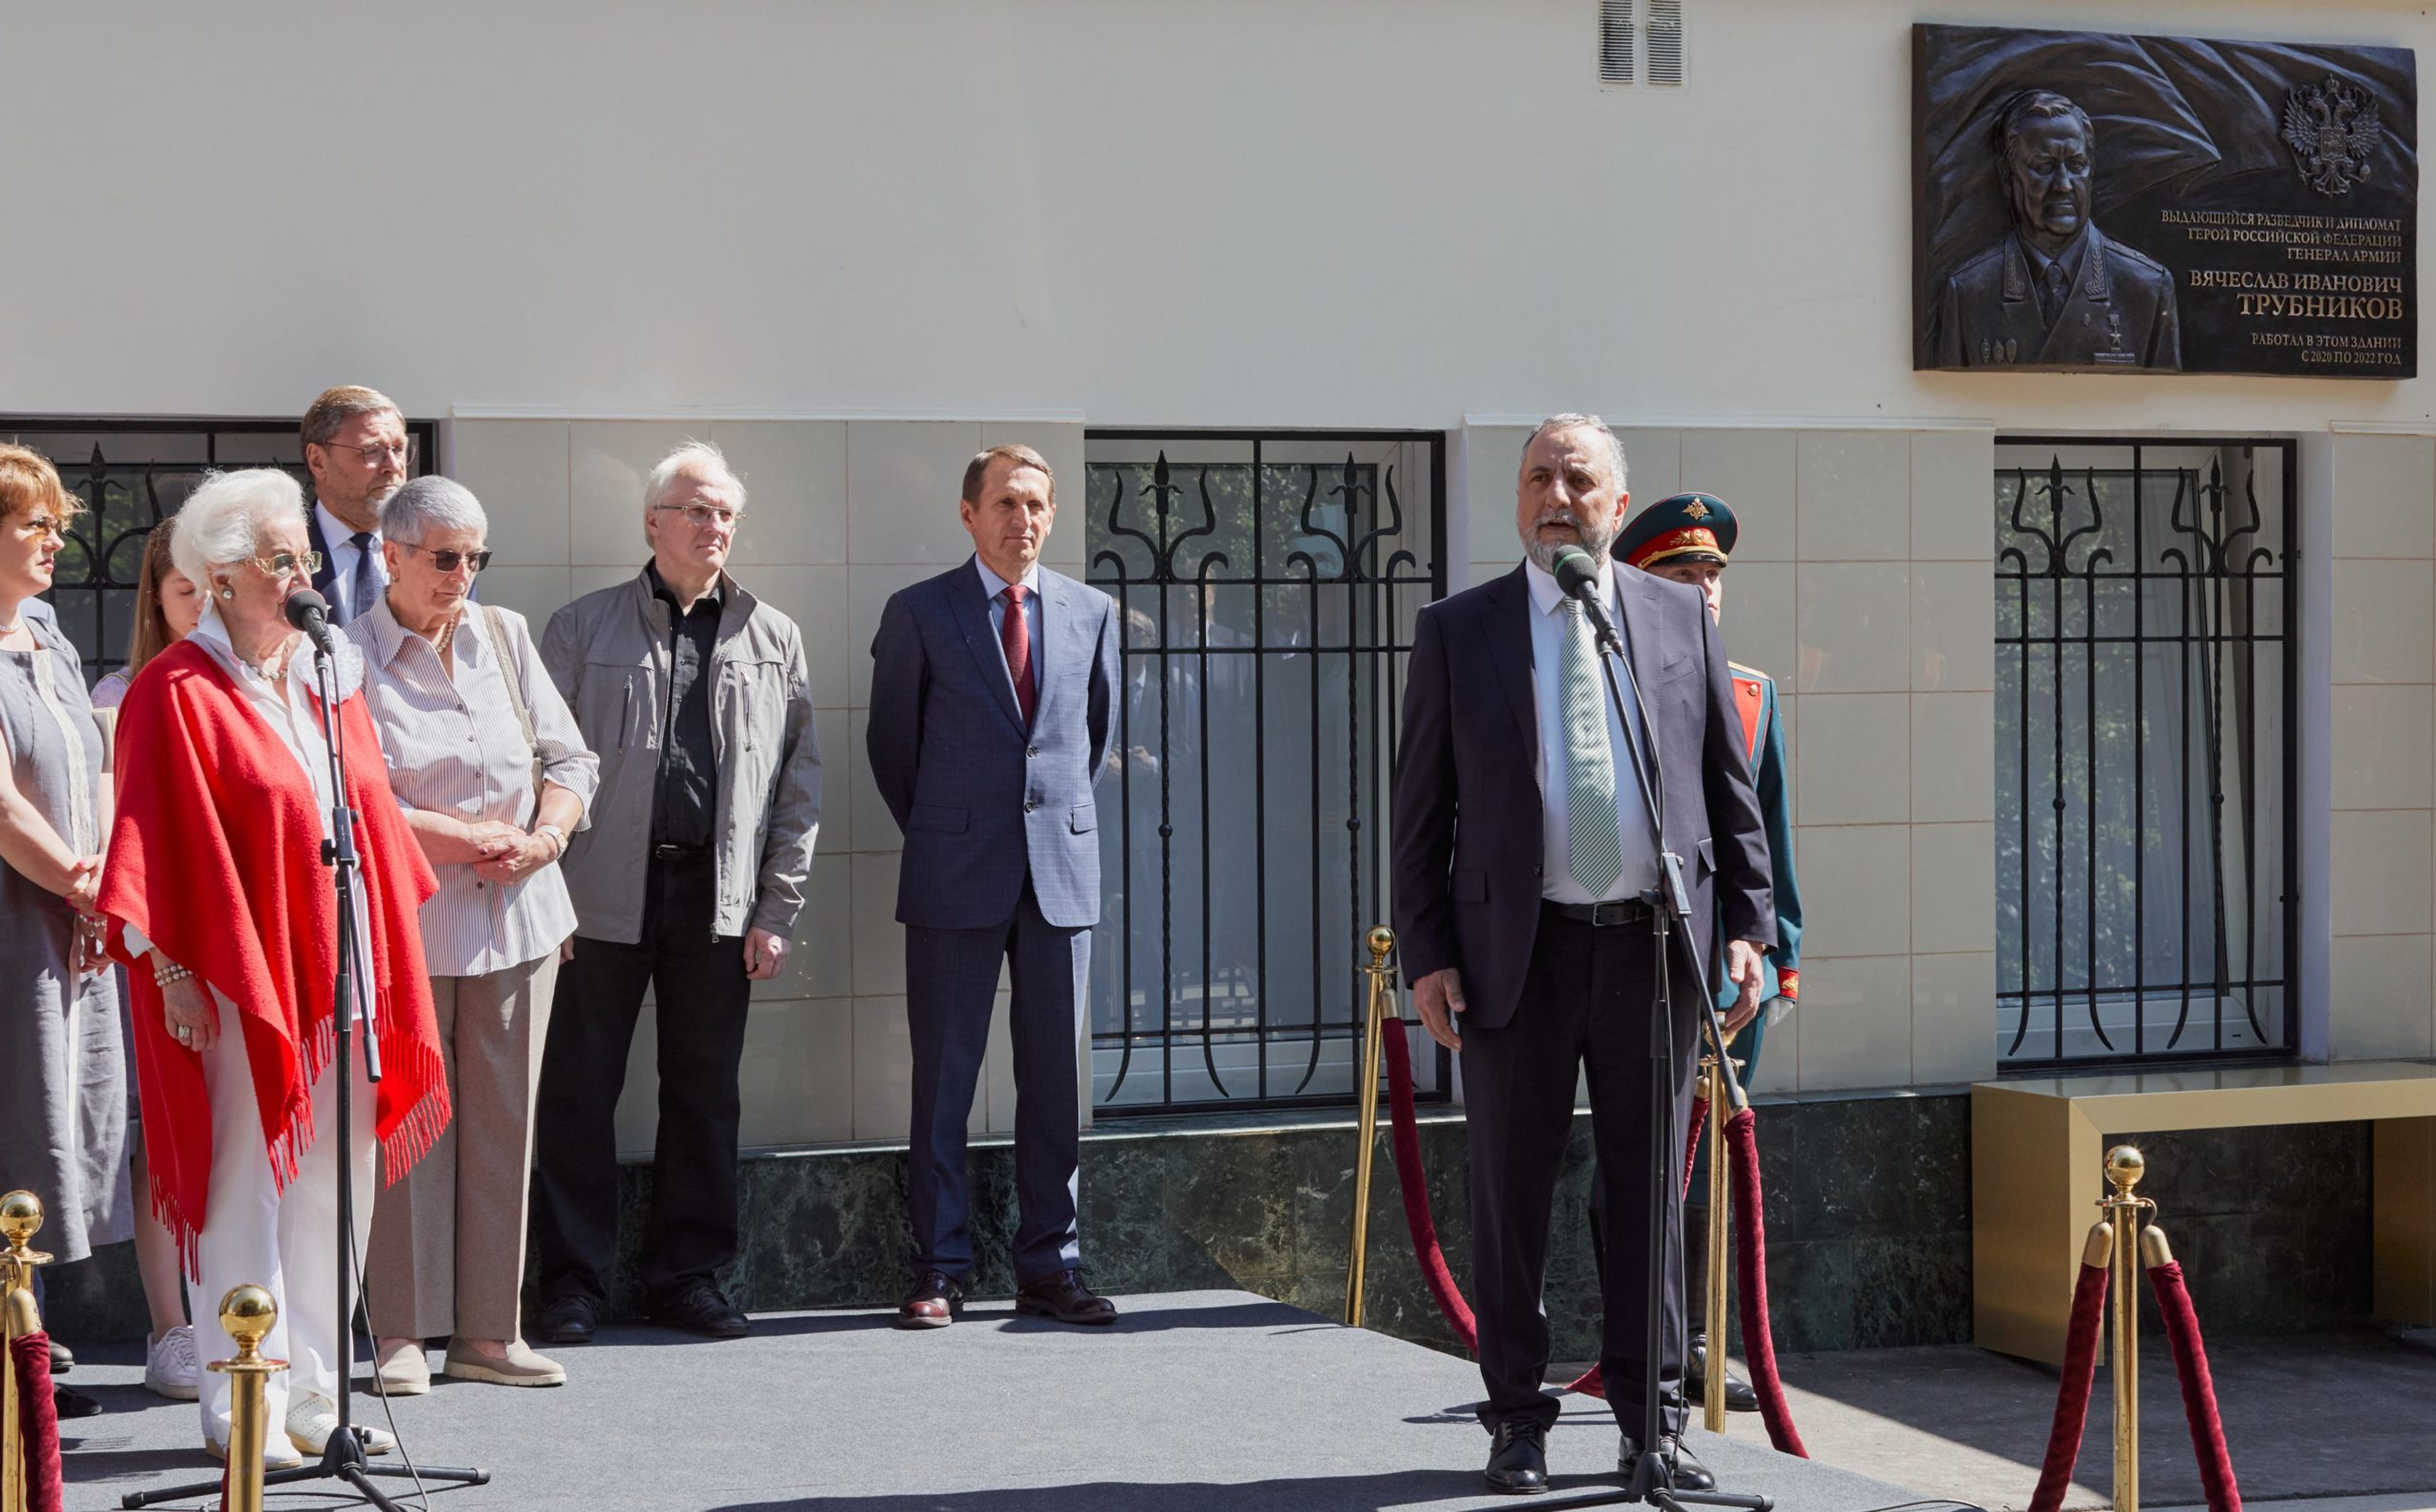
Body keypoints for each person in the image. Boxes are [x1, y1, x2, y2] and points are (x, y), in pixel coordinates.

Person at [1389, 416, 1774, 1493]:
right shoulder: (1459, 633)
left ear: (1615, 500)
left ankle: (1651, 1422)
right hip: (1516, 955)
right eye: (1536, 477)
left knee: (1649, 1194)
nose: (1554, 494)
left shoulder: (1670, 618)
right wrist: (1425, 954)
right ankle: (1515, 1417)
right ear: (1518, 498)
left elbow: (1724, 792)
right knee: (1511, 1194)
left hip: (1652, 954)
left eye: (1577, 478)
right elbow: (1419, 817)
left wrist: (1747, 927)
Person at [99, 467, 450, 1468]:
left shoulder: (324, 673)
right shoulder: (174, 690)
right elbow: (150, 849)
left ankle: (315, 1394)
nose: (302, 571)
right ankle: (239, 1397)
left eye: (302, 551)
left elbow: (366, 823)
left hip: (341, 973)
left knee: (338, 1183)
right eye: (278, 556)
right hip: (233, 982)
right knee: (245, 1182)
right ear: (218, 576)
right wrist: (171, 978)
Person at [532, 440, 819, 1345]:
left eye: (725, 513)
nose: (714, 526)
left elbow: (797, 784)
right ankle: (572, 1284)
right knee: (578, 1091)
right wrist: (548, 900)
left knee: (705, 1092)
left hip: (717, 899)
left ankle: (687, 1278)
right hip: (596, 899)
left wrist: (776, 909)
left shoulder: (774, 636)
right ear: (653, 522)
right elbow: (535, 768)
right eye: (696, 510)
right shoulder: (582, 628)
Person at [349, 477, 598, 1393]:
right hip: (409, 925)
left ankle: (491, 1333)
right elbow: (355, 796)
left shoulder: (506, 635)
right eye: (446, 557)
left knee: (505, 1126)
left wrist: (548, 835)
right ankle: (401, 1337)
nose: (464, 573)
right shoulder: (345, 655)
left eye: (476, 557)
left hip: (519, 917)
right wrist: (465, 840)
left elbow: (571, 757)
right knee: (409, 1128)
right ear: (394, 556)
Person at [867, 443, 1121, 1329]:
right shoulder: (921, 612)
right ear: (969, 512)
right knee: (944, 1076)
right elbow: (892, 751)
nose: (1024, 520)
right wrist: (953, 826)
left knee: (1053, 1079)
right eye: (1006, 503)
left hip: (1059, 873)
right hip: (954, 870)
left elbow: (1090, 739)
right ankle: (939, 1266)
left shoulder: (1093, 611)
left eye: (1038, 504)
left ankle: (1051, 1265)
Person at [1576, 491, 1806, 1418]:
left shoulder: (1752, 692)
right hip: (1638, 965)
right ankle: (1633, 1341)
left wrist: (1776, 954)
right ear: (1637, 579)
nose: (1704, 590)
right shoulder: (1599, 679)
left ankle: (1700, 1342)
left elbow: (1770, 834)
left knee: (1709, 1169)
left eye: (1712, 574)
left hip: (1728, 979)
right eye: (1682, 573)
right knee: (1633, 1167)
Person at [0, 444, 130, 1422]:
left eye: (58, 523)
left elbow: (92, 760)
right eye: (33, 524)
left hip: (68, 913)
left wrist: (98, 879)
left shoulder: (44, 631)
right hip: (14, 920)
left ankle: (26, 1345)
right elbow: (3, 809)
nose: (56, 541)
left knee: (57, 1126)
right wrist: (80, 884)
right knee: (14, 1117)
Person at [88, 521, 206, 1403]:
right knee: (163, 1139)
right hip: (152, 943)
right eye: (183, 591)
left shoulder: (258, 684)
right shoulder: (124, 692)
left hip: (240, 941)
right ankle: (171, 1326)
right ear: (155, 602)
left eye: (213, 584)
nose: (202, 605)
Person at [1932, 90, 2180, 370]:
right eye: (2044, 166)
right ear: (2007, 176)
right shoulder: (1969, 292)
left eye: (2076, 165)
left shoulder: (2148, 288)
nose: (2063, 184)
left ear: (2092, 170)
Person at [299, 386, 410, 626]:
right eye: (372, 451)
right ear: (318, 461)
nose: (393, 466)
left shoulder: (438, 552)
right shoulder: (277, 556)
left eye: (399, 450)